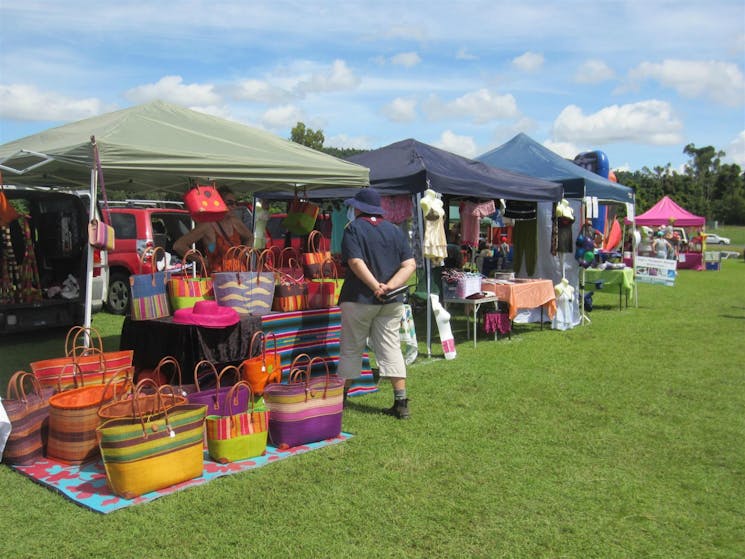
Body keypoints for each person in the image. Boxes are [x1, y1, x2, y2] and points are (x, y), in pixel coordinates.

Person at [337, 188, 416, 420]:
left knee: (352, 346)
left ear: (358, 208)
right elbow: (410, 264)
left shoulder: (352, 229)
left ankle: (340, 399)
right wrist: (389, 287)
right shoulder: (394, 230)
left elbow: (354, 261)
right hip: (391, 301)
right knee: (390, 347)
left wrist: (375, 287)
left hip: (359, 298)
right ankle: (401, 401)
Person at [173, 186, 254, 272]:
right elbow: (178, 246)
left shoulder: (235, 221)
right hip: (217, 278)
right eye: (230, 203)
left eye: (235, 203)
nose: (234, 206)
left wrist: (244, 253)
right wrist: (202, 260)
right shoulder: (207, 225)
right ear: (219, 202)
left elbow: (250, 237)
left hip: (239, 276)